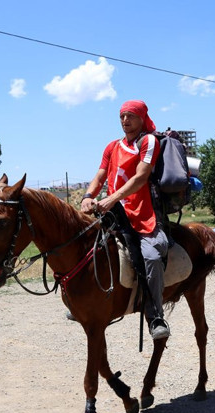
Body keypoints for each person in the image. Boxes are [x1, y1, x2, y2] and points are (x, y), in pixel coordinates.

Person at [81, 100, 171, 341]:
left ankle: (155, 316)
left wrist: (112, 198)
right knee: (86, 246)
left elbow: (141, 177)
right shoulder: (111, 147)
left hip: (142, 213)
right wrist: (88, 196)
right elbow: (100, 175)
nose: (125, 120)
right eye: (122, 116)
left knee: (151, 256)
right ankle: (82, 302)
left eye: (130, 116)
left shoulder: (148, 142)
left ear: (141, 118)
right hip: (113, 211)